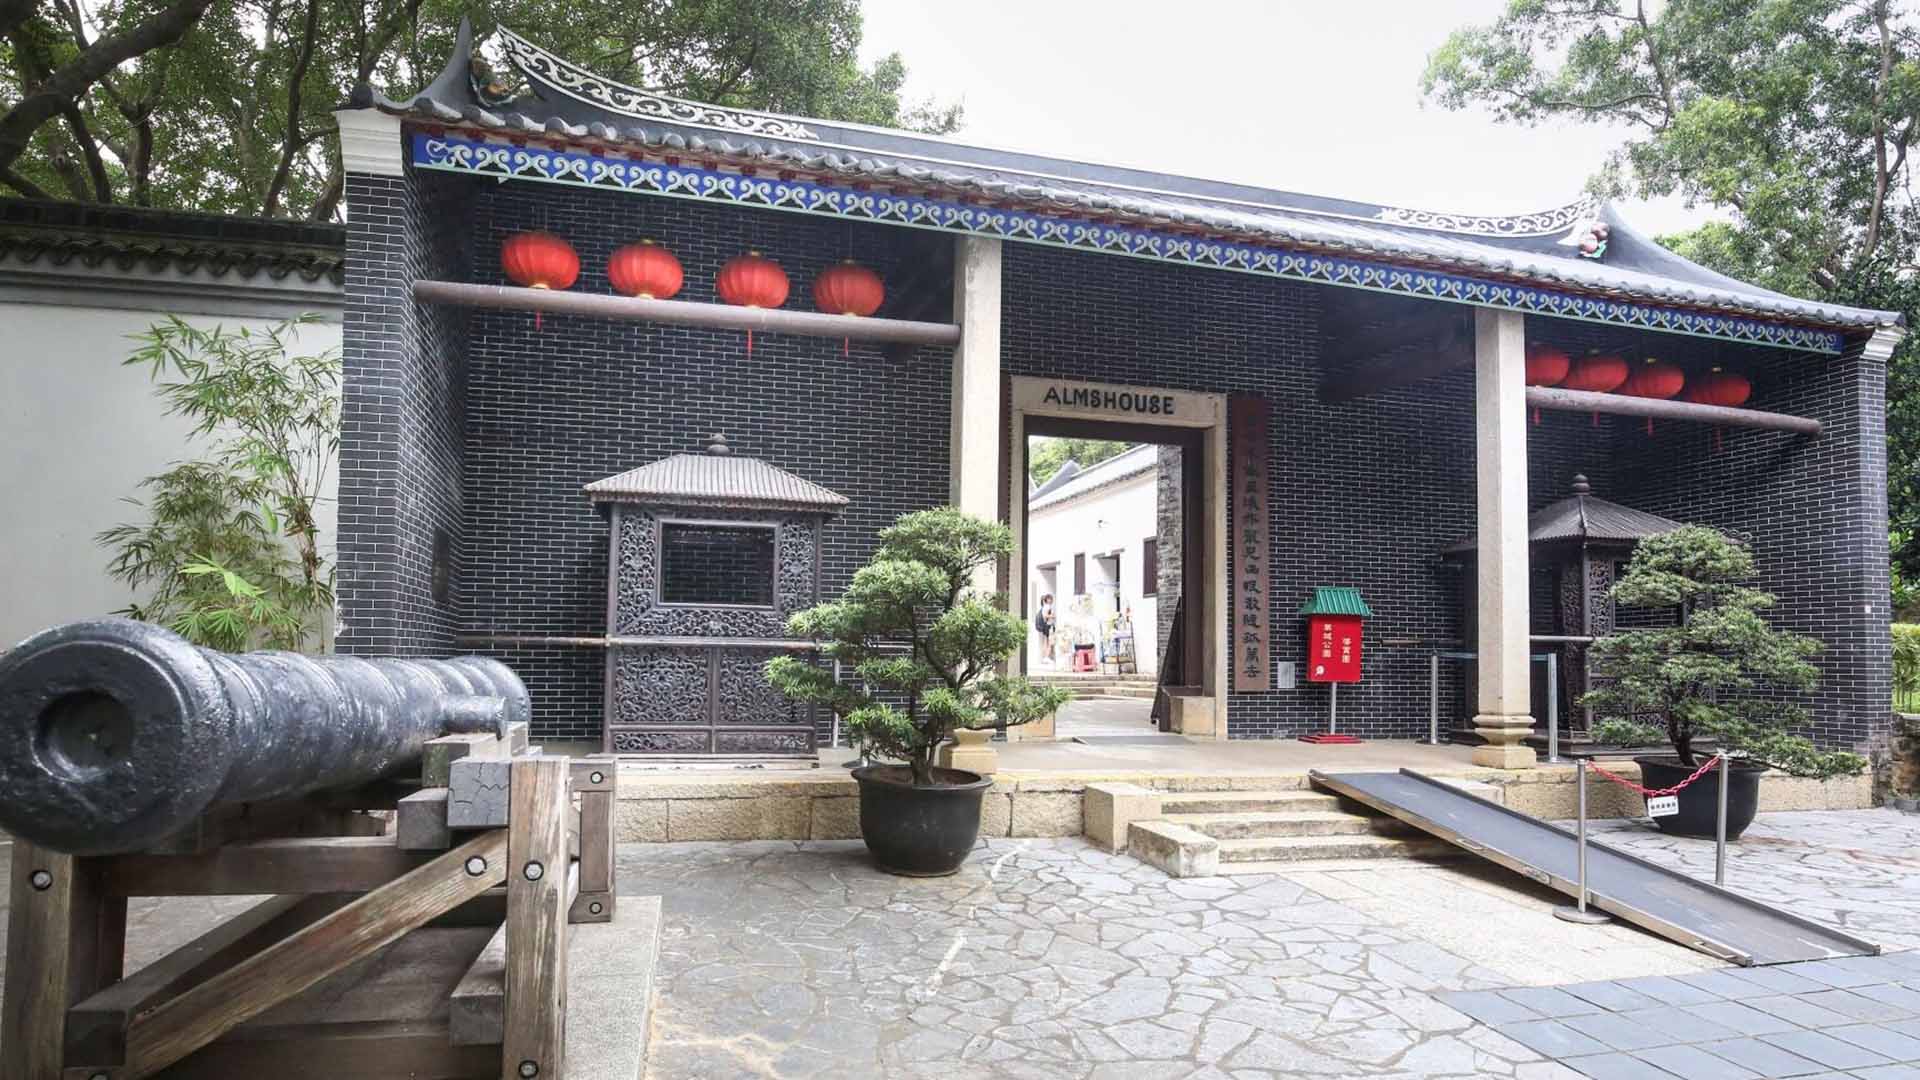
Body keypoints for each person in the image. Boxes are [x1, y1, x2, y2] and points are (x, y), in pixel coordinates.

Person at [1034, 594, 1056, 666]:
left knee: (1046, 642)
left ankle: (1045, 658)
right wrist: (1053, 616)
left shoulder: (1044, 607)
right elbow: (1045, 616)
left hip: (1046, 626)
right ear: (1047, 600)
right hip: (1048, 626)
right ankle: (1046, 657)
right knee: (1049, 642)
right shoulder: (1047, 607)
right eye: (1050, 599)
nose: (1051, 600)